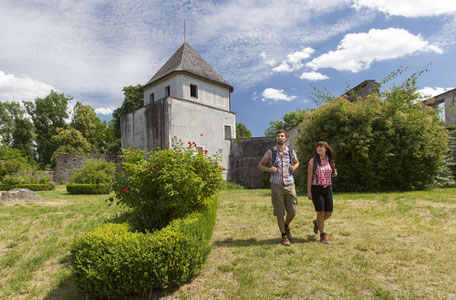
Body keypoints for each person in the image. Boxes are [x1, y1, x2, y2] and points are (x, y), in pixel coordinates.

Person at [258, 129, 300, 246]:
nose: (280, 138)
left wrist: (294, 167)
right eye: (278, 136)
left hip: (290, 184)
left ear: (286, 138)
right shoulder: (271, 152)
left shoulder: (291, 152)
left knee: (293, 211)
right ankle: (284, 236)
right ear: (276, 138)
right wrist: (269, 169)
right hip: (276, 185)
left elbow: (297, 162)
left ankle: (286, 226)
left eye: (282, 136)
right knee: (280, 212)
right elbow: (260, 165)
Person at [307, 141, 337, 244]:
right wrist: (309, 191)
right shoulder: (313, 161)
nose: (319, 148)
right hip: (316, 189)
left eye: (321, 147)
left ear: (326, 149)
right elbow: (310, 177)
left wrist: (334, 173)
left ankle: (317, 223)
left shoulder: (331, 161)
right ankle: (323, 235)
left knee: (328, 213)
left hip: (328, 189)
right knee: (320, 212)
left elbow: (332, 173)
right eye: (318, 147)